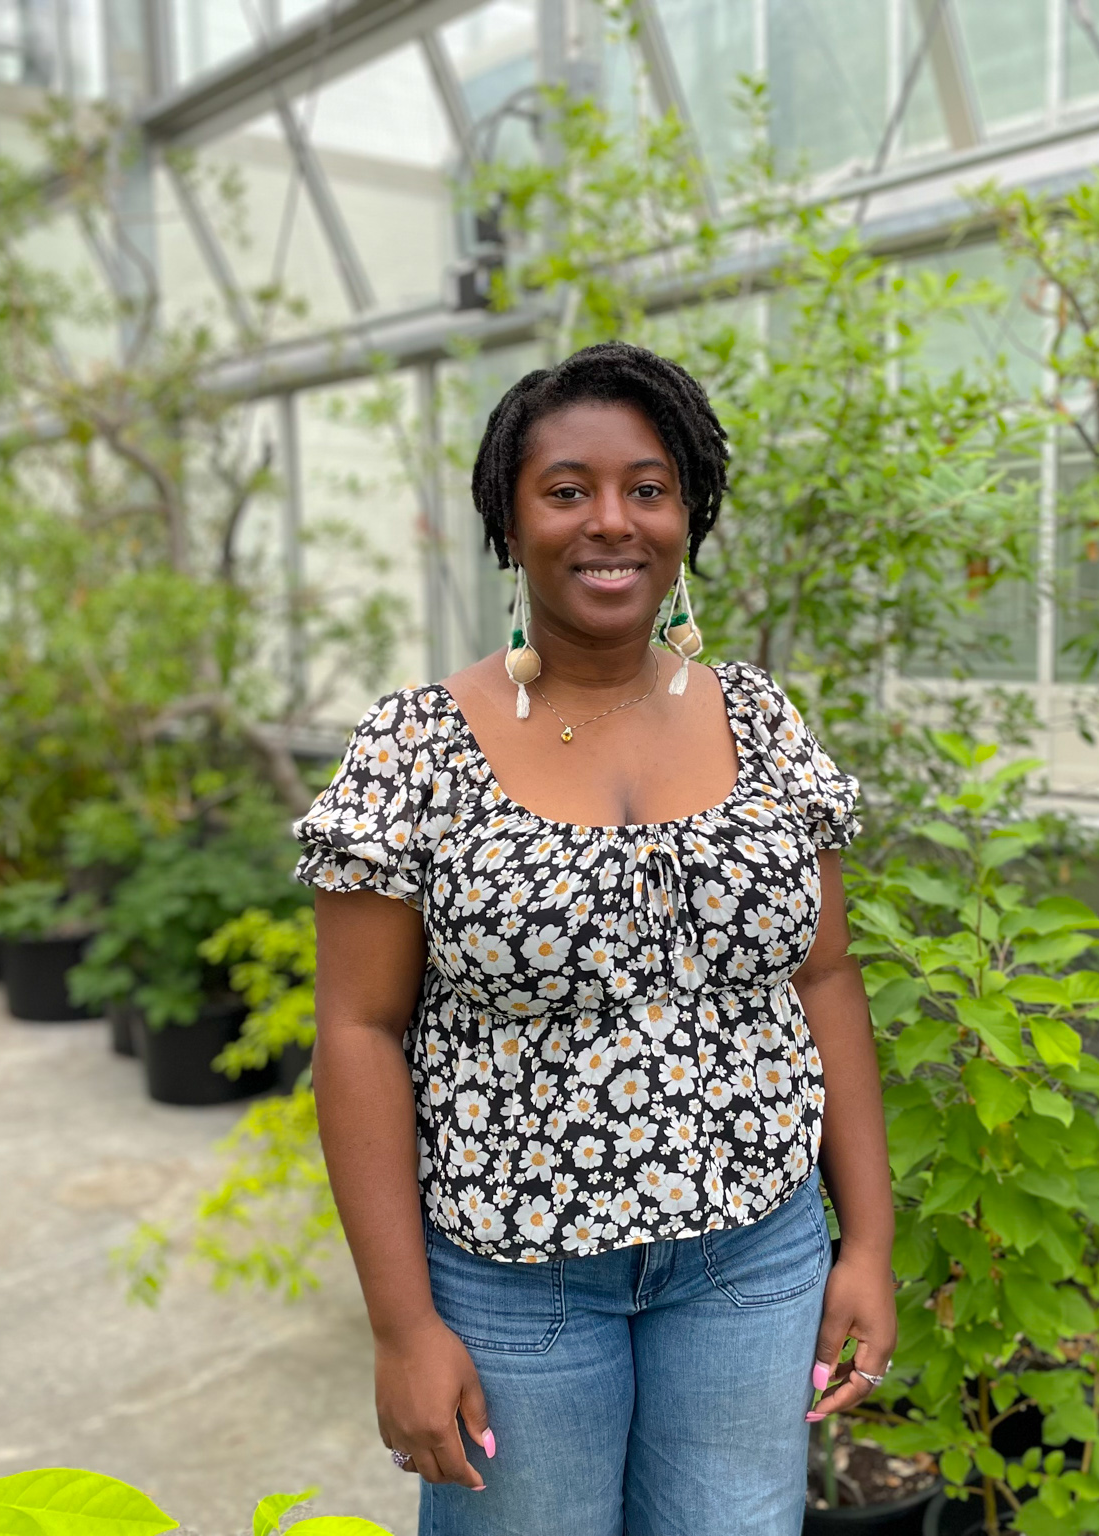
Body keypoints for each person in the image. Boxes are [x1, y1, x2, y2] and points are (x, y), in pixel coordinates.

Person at [294, 340, 896, 1536]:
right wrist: (402, 1325)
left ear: (686, 515)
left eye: (647, 488)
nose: (610, 522)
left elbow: (823, 977)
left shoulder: (762, 722)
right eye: (566, 490)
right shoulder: (417, 747)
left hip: (753, 1262)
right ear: (508, 522)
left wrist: (866, 1242)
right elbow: (357, 1031)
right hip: (513, 1290)